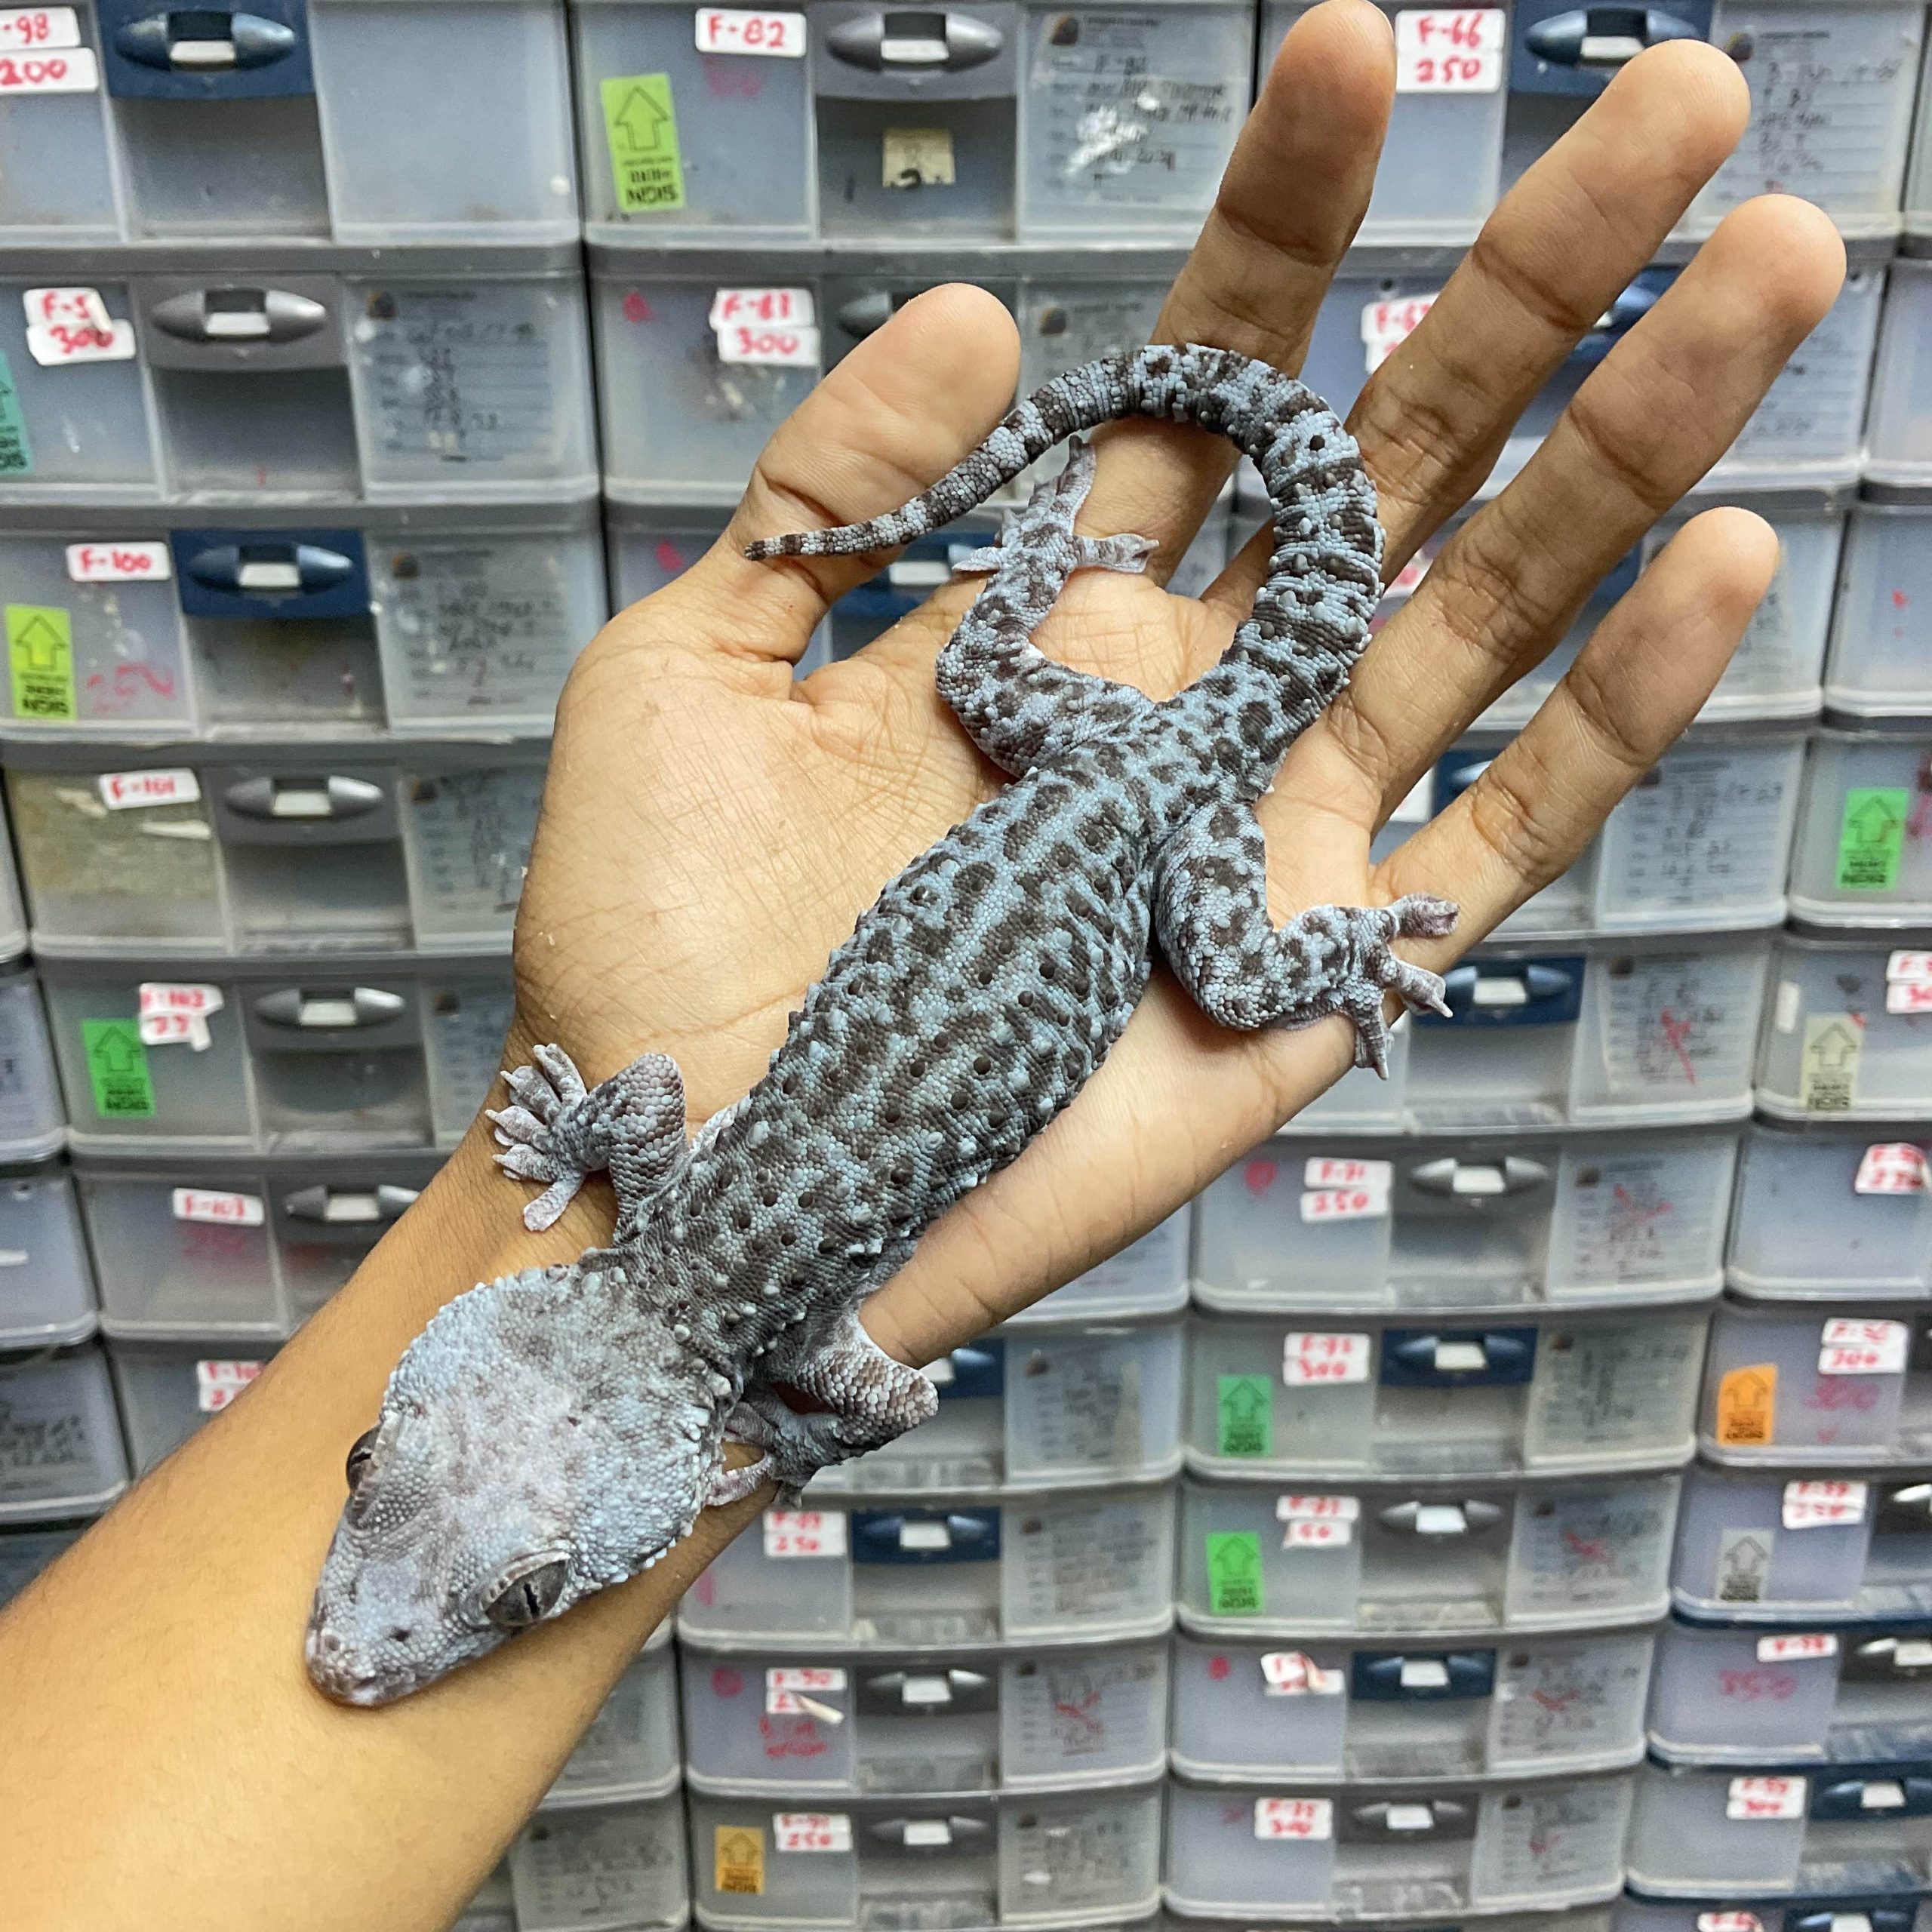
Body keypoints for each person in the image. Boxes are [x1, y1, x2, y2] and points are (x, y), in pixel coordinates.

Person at [0, 8, 1841, 1926]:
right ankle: (1117, 682)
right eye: (476, 1553)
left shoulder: (774, 1333)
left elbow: (859, 1392)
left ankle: (1327, 927)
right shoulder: (662, 1181)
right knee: (1020, 720)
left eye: (402, 1481)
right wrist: (560, 1152)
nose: (355, 1630)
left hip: (1150, 812)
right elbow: (644, 1112)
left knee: (1233, 982)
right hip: (1091, 773)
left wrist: (748, 1397)